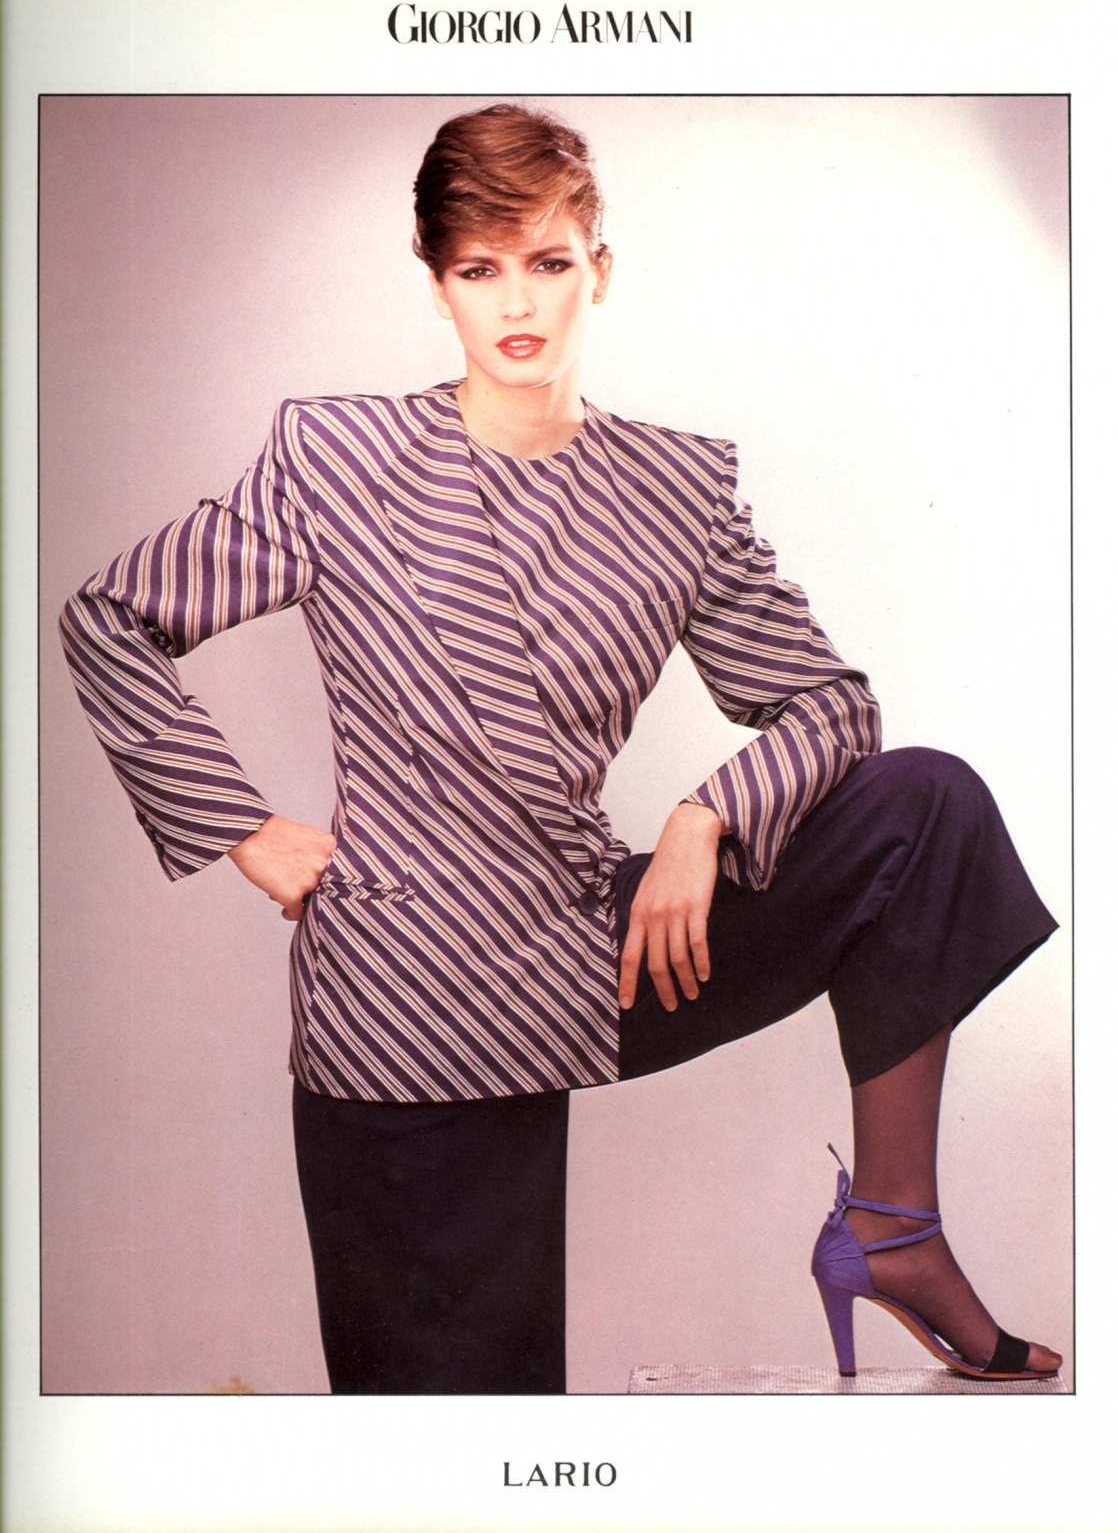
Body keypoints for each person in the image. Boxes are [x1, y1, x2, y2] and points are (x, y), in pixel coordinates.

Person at [60, 102, 1062, 1394]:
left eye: (546, 260)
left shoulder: (675, 490)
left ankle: (893, 1229)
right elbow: (112, 619)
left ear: (601, 267)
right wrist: (244, 828)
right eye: (478, 268)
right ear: (437, 285)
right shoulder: (337, 457)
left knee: (924, 806)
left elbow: (827, 703)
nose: (516, 301)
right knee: (461, 1443)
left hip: (598, 937)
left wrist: (705, 816)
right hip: (409, 990)